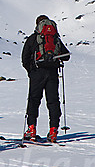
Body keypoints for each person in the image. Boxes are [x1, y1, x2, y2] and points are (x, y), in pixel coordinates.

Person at [21, 15, 70, 143]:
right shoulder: (55, 39)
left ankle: (31, 129)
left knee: (34, 100)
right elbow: (66, 56)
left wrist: (31, 71)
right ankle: (53, 130)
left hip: (37, 72)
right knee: (53, 101)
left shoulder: (33, 39)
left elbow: (24, 58)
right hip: (53, 73)